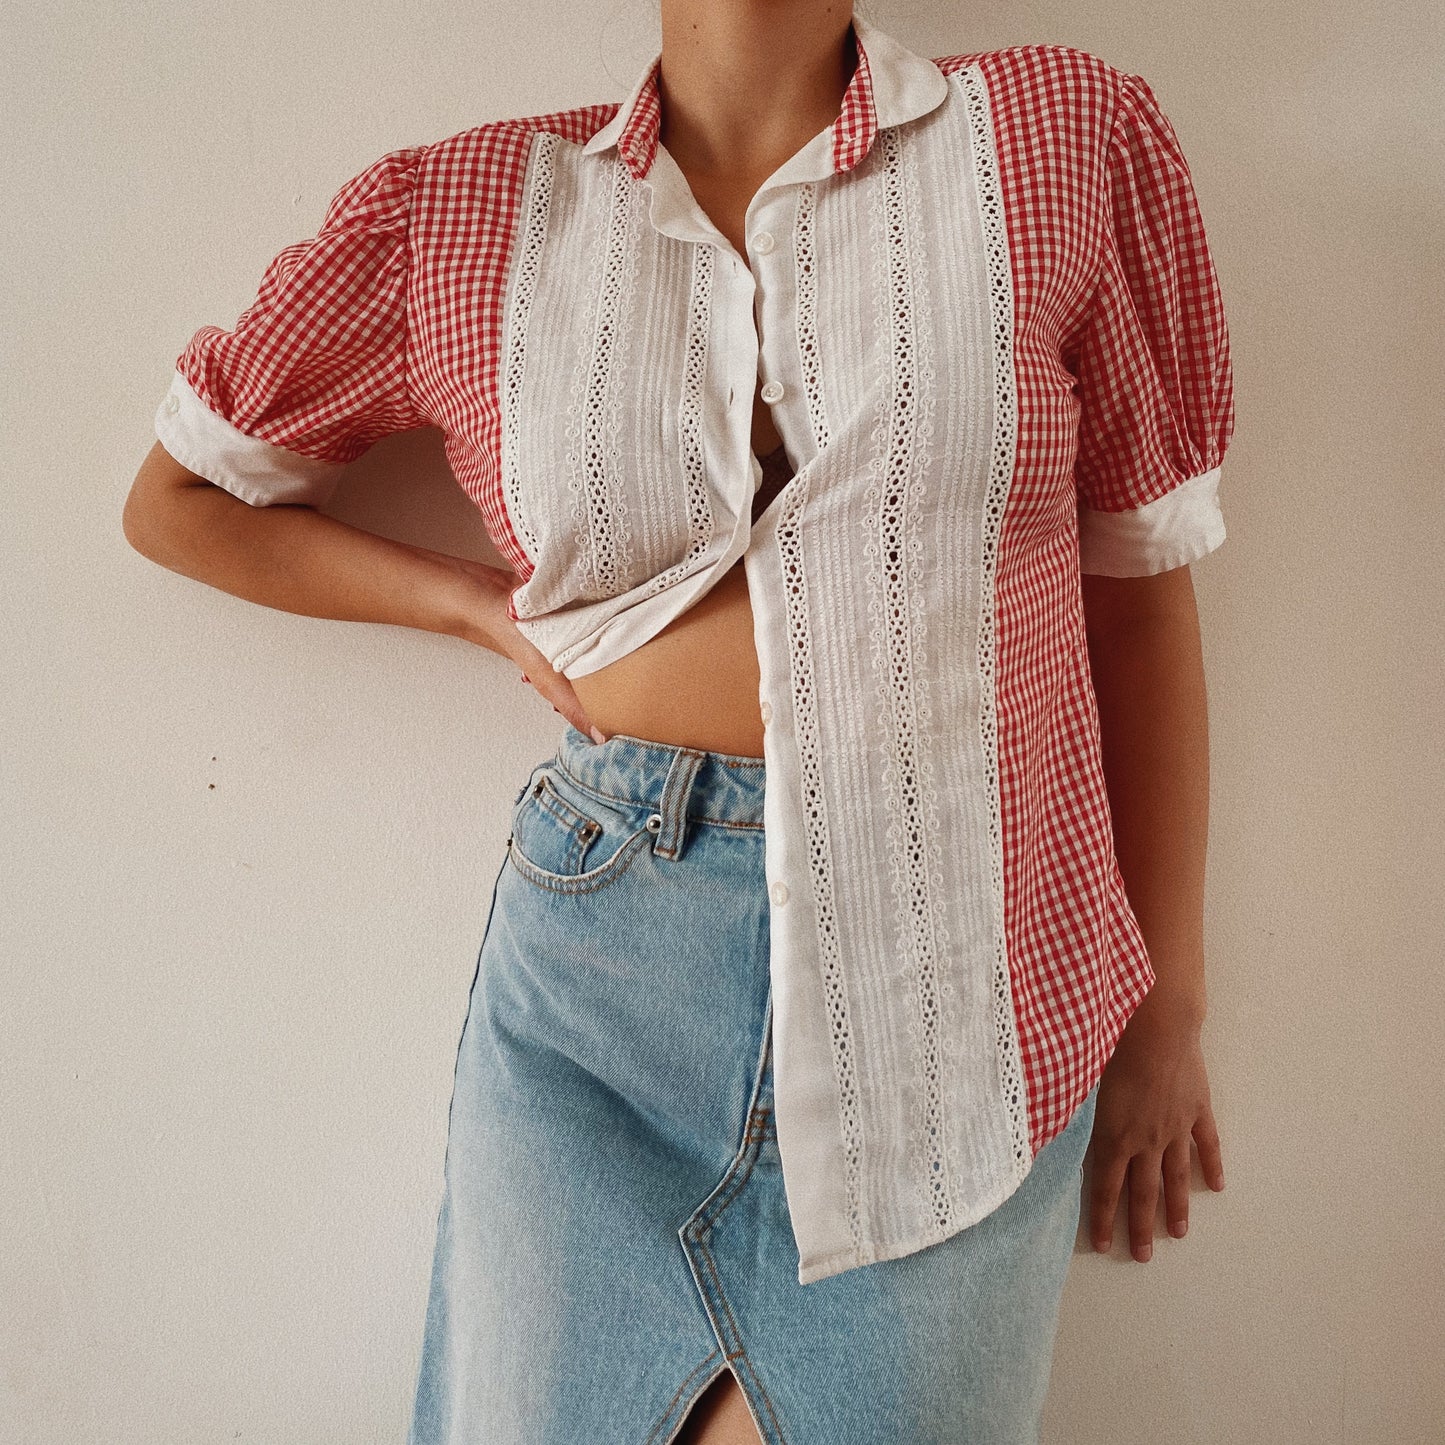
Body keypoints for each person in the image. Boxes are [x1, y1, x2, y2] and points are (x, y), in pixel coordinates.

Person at [123, 4, 1232, 1441]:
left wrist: (1166, 1011)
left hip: (970, 987)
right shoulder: (466, 211)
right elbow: (182, 499)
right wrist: (472, 607)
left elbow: (1139, 588)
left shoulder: (1059, 140)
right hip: (600, 978)